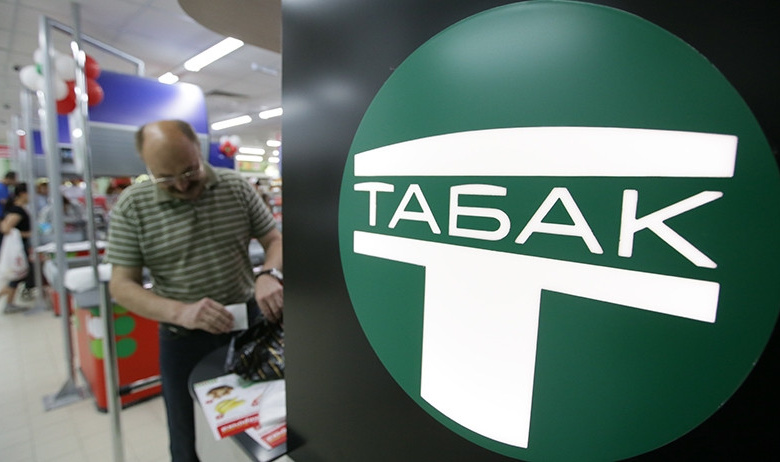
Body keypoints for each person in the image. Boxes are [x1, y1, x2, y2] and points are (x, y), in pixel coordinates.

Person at [105, 120, 283, 462]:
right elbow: (121, 285)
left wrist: (269, 274)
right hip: (182, 337)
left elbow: (274, 239)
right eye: (165, 177)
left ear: (199, 150)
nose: (181, 184)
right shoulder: (132, 207)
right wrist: (181, 312)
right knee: (184, 432)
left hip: (249, 327)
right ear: (146, 165)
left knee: (260, 421)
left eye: (189, 170)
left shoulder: (235, 187)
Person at [0, 183, 34, 313]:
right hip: (18, 247)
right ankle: (9, 303)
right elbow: (6, 228)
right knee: (17, 275)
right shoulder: (17, 210)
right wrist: (28, 234)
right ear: (23, 194)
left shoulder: (15, 208)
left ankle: (9, 303)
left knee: (18, 276)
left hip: (19, 246)